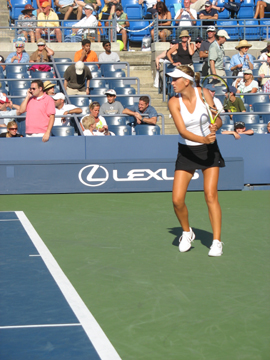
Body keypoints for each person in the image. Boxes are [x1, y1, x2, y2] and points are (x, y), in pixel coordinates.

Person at [167, 65, 225, 257]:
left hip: (209, 151)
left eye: (175, 79)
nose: (172, 82)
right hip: (187, 151)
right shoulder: (173, 102)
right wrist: (204, 139)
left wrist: (214, 127)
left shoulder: (204, 94)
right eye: (172, 79)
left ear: (187, 81)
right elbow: (182, 131)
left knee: (210, 195)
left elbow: (218, 119)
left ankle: (216, 241)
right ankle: (187, 232)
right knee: (177, 200)